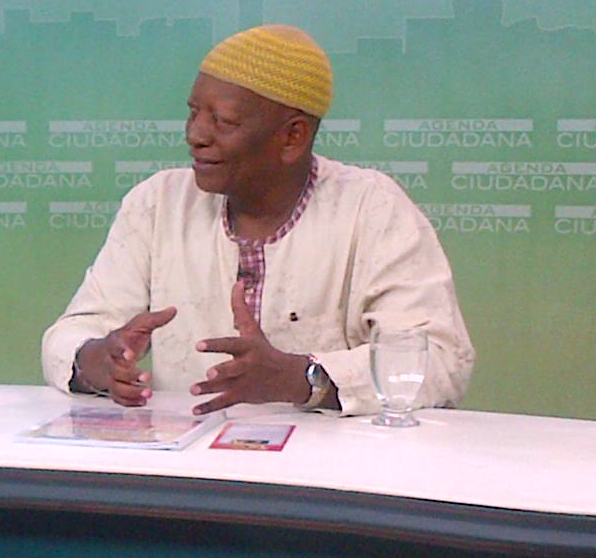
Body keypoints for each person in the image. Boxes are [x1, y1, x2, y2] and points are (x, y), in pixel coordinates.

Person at [42, 24, 475, 416]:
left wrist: (301, 378)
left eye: (223, 121)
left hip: (328, 469)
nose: (196, 135)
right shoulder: (158, 203)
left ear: (292, 136)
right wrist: (96, 360)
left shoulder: (373, 209)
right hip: (186, 467)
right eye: (193, 112)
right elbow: (70, 334)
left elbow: (439, 361)